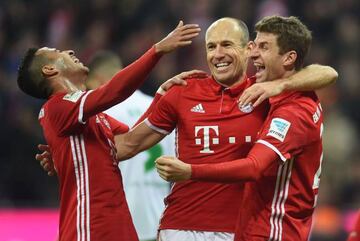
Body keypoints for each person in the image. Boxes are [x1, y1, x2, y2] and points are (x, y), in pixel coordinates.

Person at [114, 17, 337, 241]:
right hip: (180, 226)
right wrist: (158, 94)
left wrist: (278, 85)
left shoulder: (266, 95)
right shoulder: (183, 91)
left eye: (227, 45)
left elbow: (327, 73)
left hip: (240, 231)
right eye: (211, 47)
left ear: (248, 49)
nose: (217, 54)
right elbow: (126, 146)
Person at [17, 21, 201, 241]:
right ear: (50, 69)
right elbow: (113, 92)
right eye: (58, 52)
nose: (69, 51)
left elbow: (131, 141)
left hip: (119, 226)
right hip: (88, 227)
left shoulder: (92, 116)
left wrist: (163, 94)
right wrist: (156, 51)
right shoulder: (56, 108)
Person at [88, 51, 175, 241]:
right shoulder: (160, 108)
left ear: (98, 80)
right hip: (159, 220)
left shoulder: (101, 112)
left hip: (117, 222)